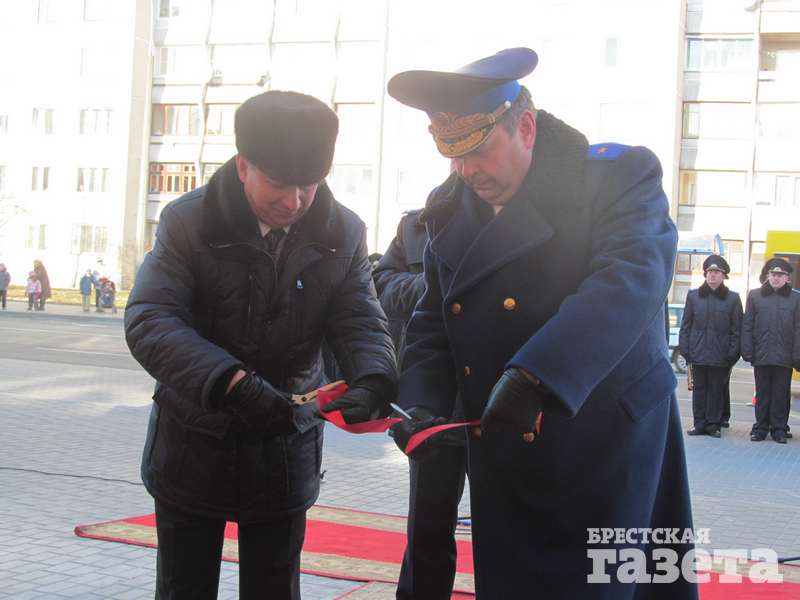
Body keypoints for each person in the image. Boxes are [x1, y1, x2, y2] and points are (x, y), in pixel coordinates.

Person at [388, 48, 696, 598]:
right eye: (452, 156)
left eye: (478, 150)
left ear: (525, 128)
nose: (467, 171)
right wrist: (419, 404)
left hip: (602, 436)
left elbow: (629, 282)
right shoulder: (451, 205)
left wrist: (537, 375)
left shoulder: (616, 177)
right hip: (504, 437)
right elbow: (435, 318)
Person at [124, 90, 397, 600]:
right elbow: (150, 320)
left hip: (284, 449)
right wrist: (230, 382)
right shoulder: (188, 222)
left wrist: (373, 378)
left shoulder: (343, 232)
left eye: (308, 185)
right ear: (244, 165)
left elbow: (359, 318)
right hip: (194, 442)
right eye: (278, 183)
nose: (293, 201)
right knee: (184, 588)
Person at [374, 211, 467, 600]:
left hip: (499, 400)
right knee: (428, 524)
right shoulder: (417, 226)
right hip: (432, 400)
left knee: (505, 526)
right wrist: (436, 284)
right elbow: (381, 283)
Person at [678, 255, 743, 438]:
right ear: (705, 274)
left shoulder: (732, 299)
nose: (712, 275)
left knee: (716, 391)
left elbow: (737, 330)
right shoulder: (693, 296)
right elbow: (686, 326)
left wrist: (732, 354)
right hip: (698, 354)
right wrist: (686, 350)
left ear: (723, 276)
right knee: (699, 391)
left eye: (716, 272)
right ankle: (699, 424)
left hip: (720, 356)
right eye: (709, 272)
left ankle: (713, 425)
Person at [741, 257, 800, 444]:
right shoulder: (755, 296)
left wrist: (797, 355)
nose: (776, 278)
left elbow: (798, 329)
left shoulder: (796, 299)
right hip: (762, 355)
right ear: (768, 276)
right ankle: (760, 429)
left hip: (784, 357)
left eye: (780, 275)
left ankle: (779, 430)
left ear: (787, 278)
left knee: (781, 395)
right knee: (763, 394)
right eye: (773, 274)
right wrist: (747, 350)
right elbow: (747, 325)